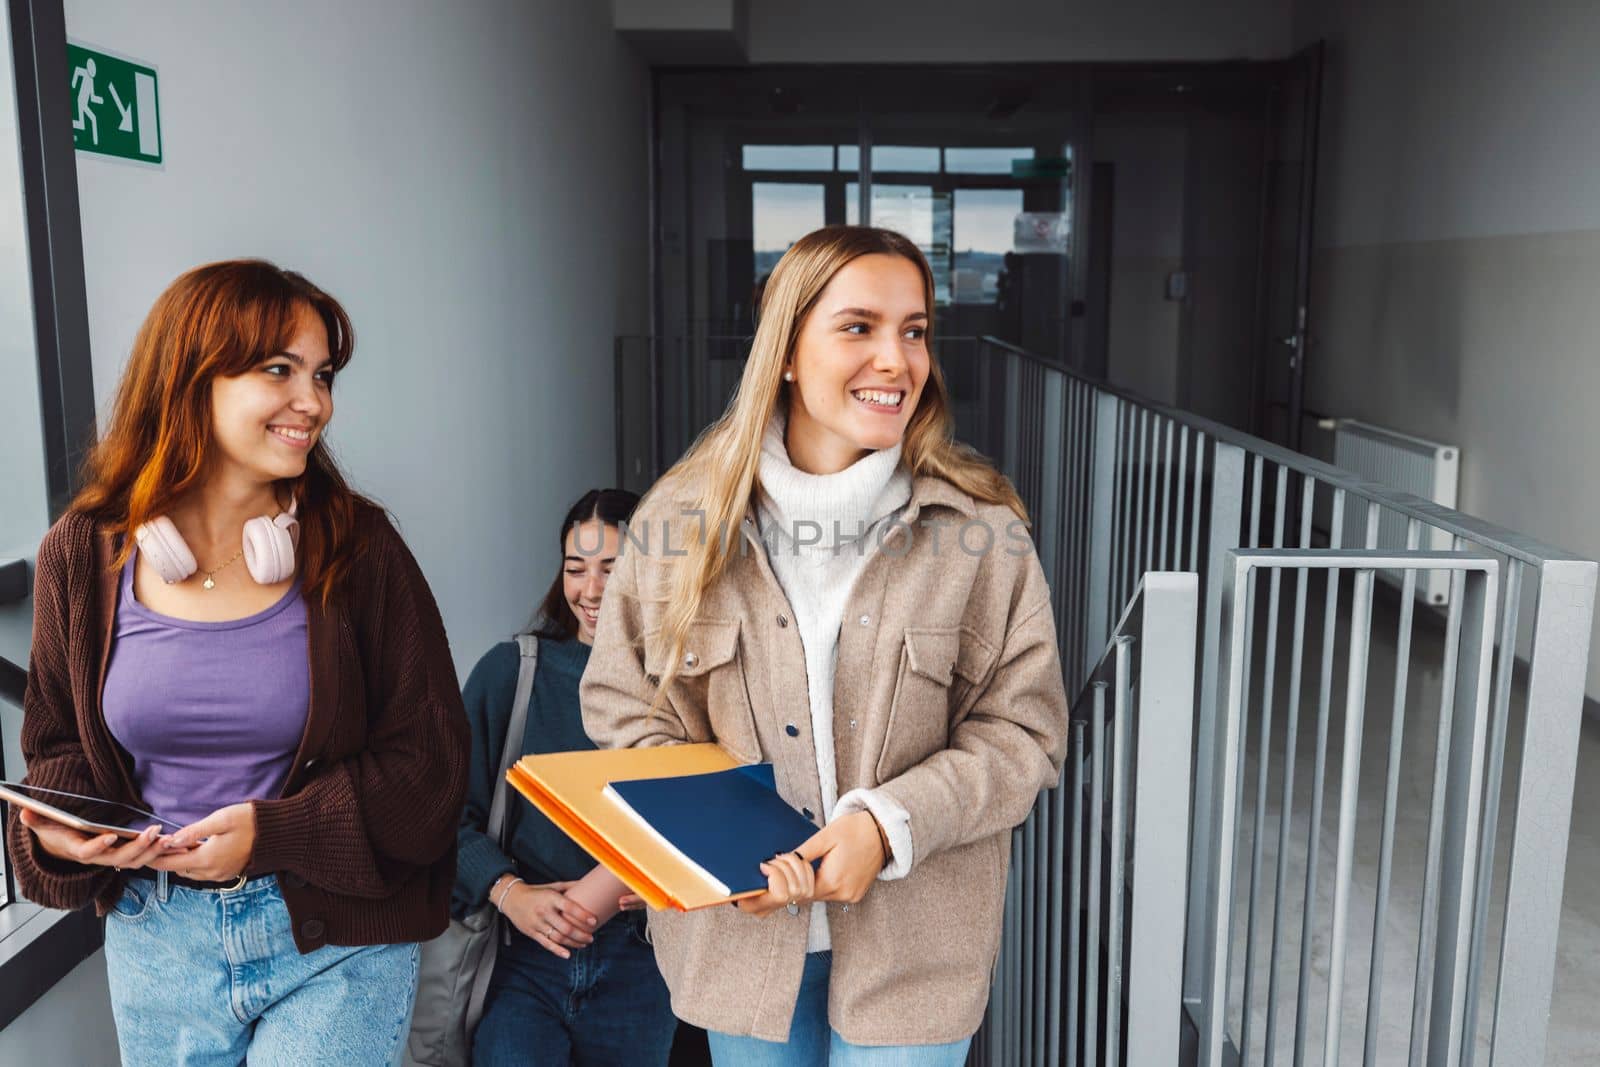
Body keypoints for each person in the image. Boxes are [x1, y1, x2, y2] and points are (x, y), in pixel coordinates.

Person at [580, 225, 1071, 1064]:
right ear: (787, 351)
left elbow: (1024, 734)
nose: (897, 359)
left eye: (913, 331)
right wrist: (728, 852)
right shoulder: (679, 522)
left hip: (917, 958)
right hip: (736, 944)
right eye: (859, 326)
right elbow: (627, 709)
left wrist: (885, 825)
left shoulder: (982, 530)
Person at [5, 260, 468, 1066]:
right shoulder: (81, 553)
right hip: (157, 940)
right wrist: (66, 834)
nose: (314, 401)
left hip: (335, 941)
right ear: (190, 379)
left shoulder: (361, 549)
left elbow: (431, 767)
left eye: (322, 375)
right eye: (278, 370)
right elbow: (57, 749)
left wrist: (274, 832)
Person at [454, 488, 677, 1067]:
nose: (592, 590)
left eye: (613, 567)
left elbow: (708, 816)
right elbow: (444, 816)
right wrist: (509, 893)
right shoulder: (514, 672)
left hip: (644, 964)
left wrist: (664, 890)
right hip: (521, 959)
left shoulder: (682, 683)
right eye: (576, 569)